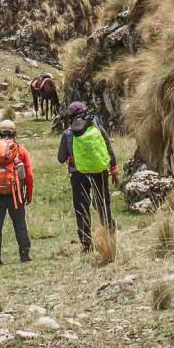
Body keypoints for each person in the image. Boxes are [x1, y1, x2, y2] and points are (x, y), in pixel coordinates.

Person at [57, 101, 119, 251]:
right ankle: (109, 236)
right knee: (103, 203)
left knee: (81, 207)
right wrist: (114, 169)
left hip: (78, 174)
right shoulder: (97, 128)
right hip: (100, 171)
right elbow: (108, 147)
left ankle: (86, 244)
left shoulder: (68, 133)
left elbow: (60, 158)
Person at [0, 118, 33, 265]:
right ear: (14, 132)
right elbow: (29, 175)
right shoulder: (20, 150)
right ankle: (24, 254)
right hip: (15, 194)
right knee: (20, 224)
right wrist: (28, 194)